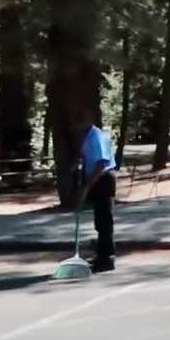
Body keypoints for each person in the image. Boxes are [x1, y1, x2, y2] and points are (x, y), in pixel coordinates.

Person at [73, 108, 118, 273]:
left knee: (104, 220)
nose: (76, 125)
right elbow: (88, 158)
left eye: (79, 121)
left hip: (103, 179)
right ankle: (102, 254)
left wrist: (86, 186)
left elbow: (101, 163)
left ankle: (107, 259)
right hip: (96, 178)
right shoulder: (86, 136)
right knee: (100, 220)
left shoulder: (95, 136)